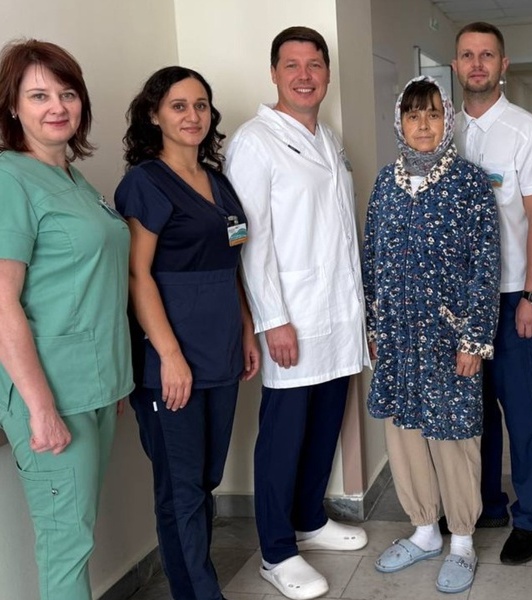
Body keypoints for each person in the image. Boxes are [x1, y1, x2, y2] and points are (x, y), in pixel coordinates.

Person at [225, 26, 371, 600]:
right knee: (283, 435)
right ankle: (276, 550)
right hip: (293, 315)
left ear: (327, 73)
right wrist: (272, 319)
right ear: (274, 73)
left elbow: (339, 233)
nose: (305, 76)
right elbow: (251, 240)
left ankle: (310, 517)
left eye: (314, 65)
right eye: (292, 65)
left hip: (337, 314)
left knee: (326, 422)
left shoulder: (328, 138)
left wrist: (361, 314)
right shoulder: (255, 141)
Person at [115, 66, 260, 600]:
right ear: (154, 115)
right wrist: (169, 355)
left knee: (204, 480)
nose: (193, 115)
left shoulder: (218, 182)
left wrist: (246, 328)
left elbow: (231, 261)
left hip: (220, 349)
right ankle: (199, 592)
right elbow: (138, 275)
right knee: (181, 488)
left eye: (201, 105)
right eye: (178, 106)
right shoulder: (145, 183)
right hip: (171, 359)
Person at [0, 40, 133, 599]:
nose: (57, 106)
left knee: (77, 532)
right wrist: (40, 408)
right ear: (12, 107)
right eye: (38, 95)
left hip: (95, 386)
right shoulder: (10, 178)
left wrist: (112, 379)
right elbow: (2, 303)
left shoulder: (76, 180)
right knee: (66, 546)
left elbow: (89, 285)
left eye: (67, 93)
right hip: (52, 393)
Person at [364, 76, 500, 593]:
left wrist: (474, 338)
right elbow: (371, 257)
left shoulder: (468, 182)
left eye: (434, 114)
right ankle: (423, 530)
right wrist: (374, 326)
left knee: (454, 436)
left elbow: (486, 264)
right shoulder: (385, 182)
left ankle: (461, 540)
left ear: (448, 121)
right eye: (413, 114)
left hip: (448, 336)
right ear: (399, 122)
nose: (423, 125)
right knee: (405, 435)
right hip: (397, 335)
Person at [451, 21, 532, 564]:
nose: (477, 64)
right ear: (455, 65)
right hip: (458, 302)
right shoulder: (441, 128)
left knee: (522, 412)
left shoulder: (525, 130)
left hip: (511, 295)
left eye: (486, 55)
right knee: (474, 411)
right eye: (467, 55)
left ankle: (531, 517)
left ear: (503, 65)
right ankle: (486, 503)